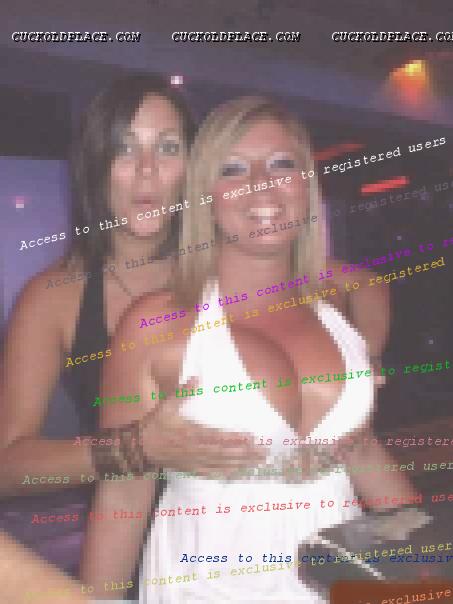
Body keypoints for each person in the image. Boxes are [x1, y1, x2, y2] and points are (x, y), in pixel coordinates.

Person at [81, 97, 416, 602]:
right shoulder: (155, 323)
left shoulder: (334, 312)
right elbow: (123, 495)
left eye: (281, 163)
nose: (261, 184)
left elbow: (362, 450)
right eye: (232, 169)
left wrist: (428, 564)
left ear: (306, 184)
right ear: (205, 196)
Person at [0, 77, 261, 575]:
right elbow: (8, 467)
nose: (146, 170)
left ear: (193, 168)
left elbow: (348, 283)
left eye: (168, 147)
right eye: (124, 148)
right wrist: (135, 448)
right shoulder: (55, 295)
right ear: (95, 166)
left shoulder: (232, 267)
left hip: (252, 529)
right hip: (127, 546)